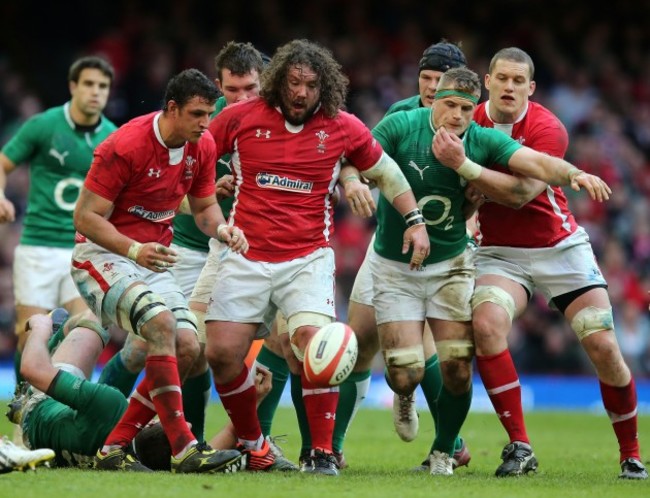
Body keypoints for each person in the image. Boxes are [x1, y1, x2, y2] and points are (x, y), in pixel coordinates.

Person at [204, 39, 430, 476]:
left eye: (310, 84)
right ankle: (254, 444)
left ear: (324, 86)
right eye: (293, 82)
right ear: (277, 82)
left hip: (307, 257)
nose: (301, 92)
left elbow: (387, 172)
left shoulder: (341, 126)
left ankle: (322, 452)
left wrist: (415, 220)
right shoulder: (239, 118)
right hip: (245, 253)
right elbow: (192, 154)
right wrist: (199, 193)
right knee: (221, 353)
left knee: (313, 343)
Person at [464, 47, 647, 480]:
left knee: (603, 346)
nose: (509, 87)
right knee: (486, 325)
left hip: (559, 247)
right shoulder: (467, 120)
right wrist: (469, 210)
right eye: (501, 78)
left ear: (531, 88)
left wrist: (466, 170)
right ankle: (520, 447)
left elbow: (521, 193)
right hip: (499, 253)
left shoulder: (548, 127)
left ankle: (631, 453)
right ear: (487, 81)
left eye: (518, 81)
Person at [70, 68, 249, 473]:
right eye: (199, 114)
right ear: (172, 108)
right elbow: (85, 217)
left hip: (151, 260)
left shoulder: (200, 146)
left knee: (189, 345)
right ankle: (185, 446)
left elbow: (203, 208)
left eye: (209, 114)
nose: (207, 124)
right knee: (162, 325)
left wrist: (223, 229)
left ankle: (113, 447)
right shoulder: (125, 145)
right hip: (101, 256)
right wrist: (134, 247)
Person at [342, 40, 472, 471]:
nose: (433, 88)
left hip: (446, 256)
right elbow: (364, 160)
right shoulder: (400, 116)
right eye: (427, 78)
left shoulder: (474, 122)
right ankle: (336, 446)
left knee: (434, 350)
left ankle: (448, 445)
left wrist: (469, 226)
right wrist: (358, 181)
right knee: (358, 341)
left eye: (442, 80)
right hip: (390, 249)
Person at [7, 309, 245, 472]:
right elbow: (213, 451)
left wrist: (41, 326)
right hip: (46, 443)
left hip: (36, 406)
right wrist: (244, 419)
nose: (185, 423)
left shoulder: (112, 405)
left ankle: (55, 333)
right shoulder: (145, 462)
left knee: (96, 315)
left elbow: (32, 369)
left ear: (151, 423)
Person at [0, 56, 117, 381]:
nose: (96, 92)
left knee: (86, 332)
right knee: (30, 337)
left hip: (83, 250)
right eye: (89, 84)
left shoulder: (113, 136)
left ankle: (68, 414)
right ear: (73, 87)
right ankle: (25, 426)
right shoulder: (43, 125)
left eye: (103, 86)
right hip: (37, 247)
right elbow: (2, 163)